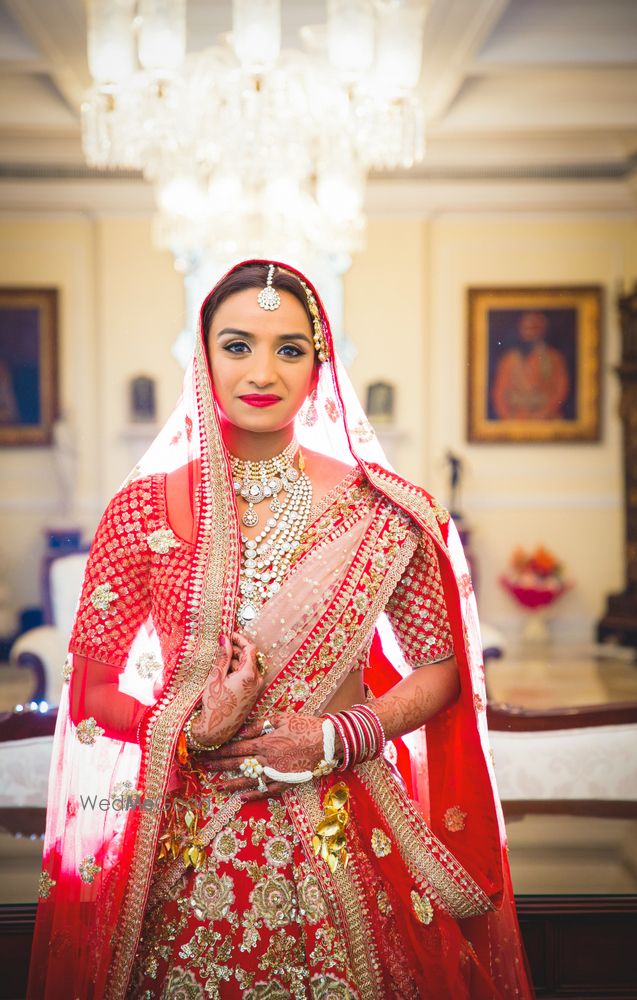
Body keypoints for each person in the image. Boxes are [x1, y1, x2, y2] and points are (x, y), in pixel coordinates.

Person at [28, 261, 534, 999]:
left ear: (319, 363)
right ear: (202, 358)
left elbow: (440, 670)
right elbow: (91, 691)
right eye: (237, 346)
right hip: (188, 842)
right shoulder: (140, 510)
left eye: (289, 349)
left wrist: (336, 736)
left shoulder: (382, 512)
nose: (262, 370)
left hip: (349, 827)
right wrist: (191, 730)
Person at [491, 310, 570, 421]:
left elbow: (560, 390)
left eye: (534, 328)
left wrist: (542, 414)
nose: (530, 332)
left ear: (543, 330)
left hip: (547, 421)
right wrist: (509, 418)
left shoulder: (555, 358)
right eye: (526, 327)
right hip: (513, 423)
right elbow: (499, 394)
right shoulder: (508, 359)